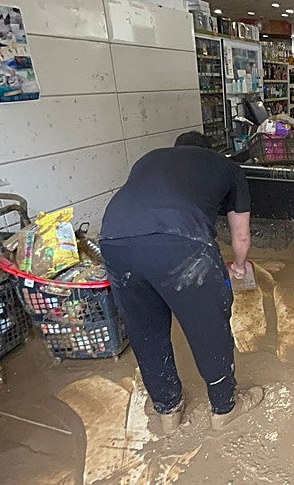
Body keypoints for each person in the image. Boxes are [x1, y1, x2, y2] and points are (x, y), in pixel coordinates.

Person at [99, 131, 263, 434]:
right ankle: (224, 408)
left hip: (115, 241)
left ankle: (168, 410)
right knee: (208, 324)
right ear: (209, 150)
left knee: (145, 328)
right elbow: (240, 234)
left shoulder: (149, 159)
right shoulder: (226, 166)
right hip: (181, 243)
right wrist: (238, 266)